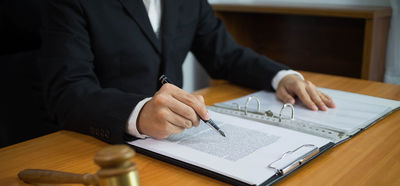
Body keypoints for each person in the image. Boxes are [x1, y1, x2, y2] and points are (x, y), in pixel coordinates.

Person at [40, 0, 335, 144]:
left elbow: (226, 55)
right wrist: (138, 113)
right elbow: (67, 92)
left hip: (177, 144)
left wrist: (283, 77)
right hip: (100, 148)